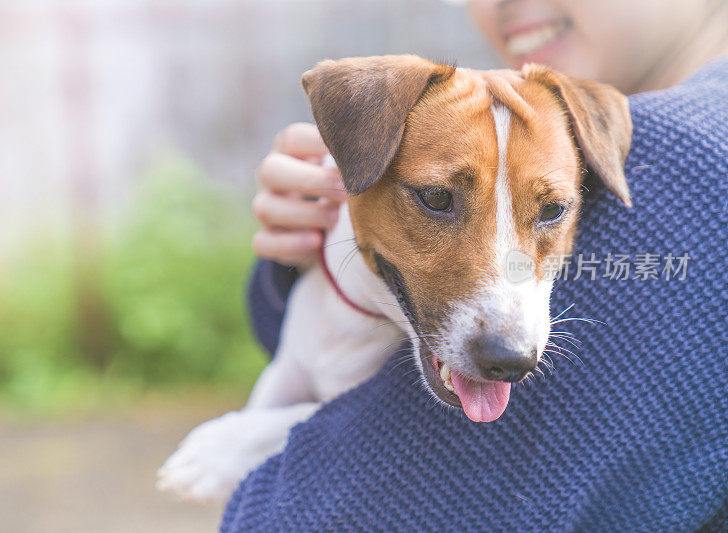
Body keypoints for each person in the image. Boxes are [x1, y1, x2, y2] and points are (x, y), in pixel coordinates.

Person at [230, 0, 728, 530]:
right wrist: (317, 247)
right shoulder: (529, 122)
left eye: (552, 209)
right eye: (439, 200)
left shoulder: (688, 165)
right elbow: (308, 357)